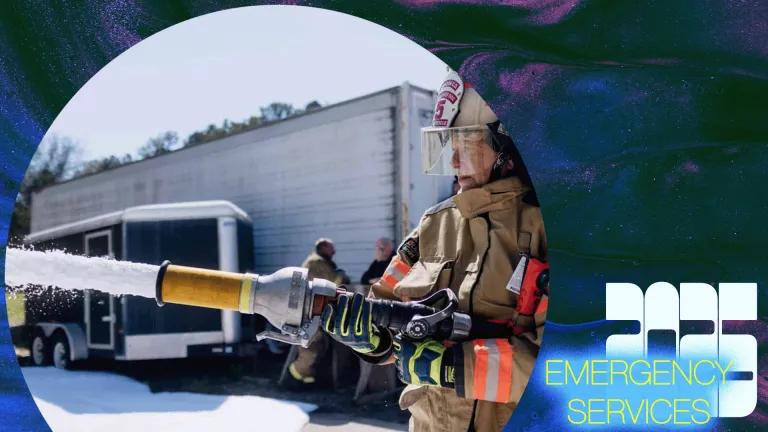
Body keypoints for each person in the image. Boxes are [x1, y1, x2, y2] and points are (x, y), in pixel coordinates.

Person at [320, 68, 548, 432]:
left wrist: (452, 366)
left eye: (468, 148)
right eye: (449, 148)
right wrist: (368, 338)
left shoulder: (548, 232)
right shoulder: (433, 225)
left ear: (510, 151)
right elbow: (387, 307)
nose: (454, 164)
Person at [284, 238, 351, 389]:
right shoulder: (317, 263)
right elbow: (333, 284)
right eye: (331, 249)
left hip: (312, 309)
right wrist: (342, 276)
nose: (333, 252)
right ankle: (292, 380)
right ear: (323, 248)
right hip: (309, 310)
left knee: (319, 346)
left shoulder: (318, 262)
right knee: (311, 347)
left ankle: (307, 381)